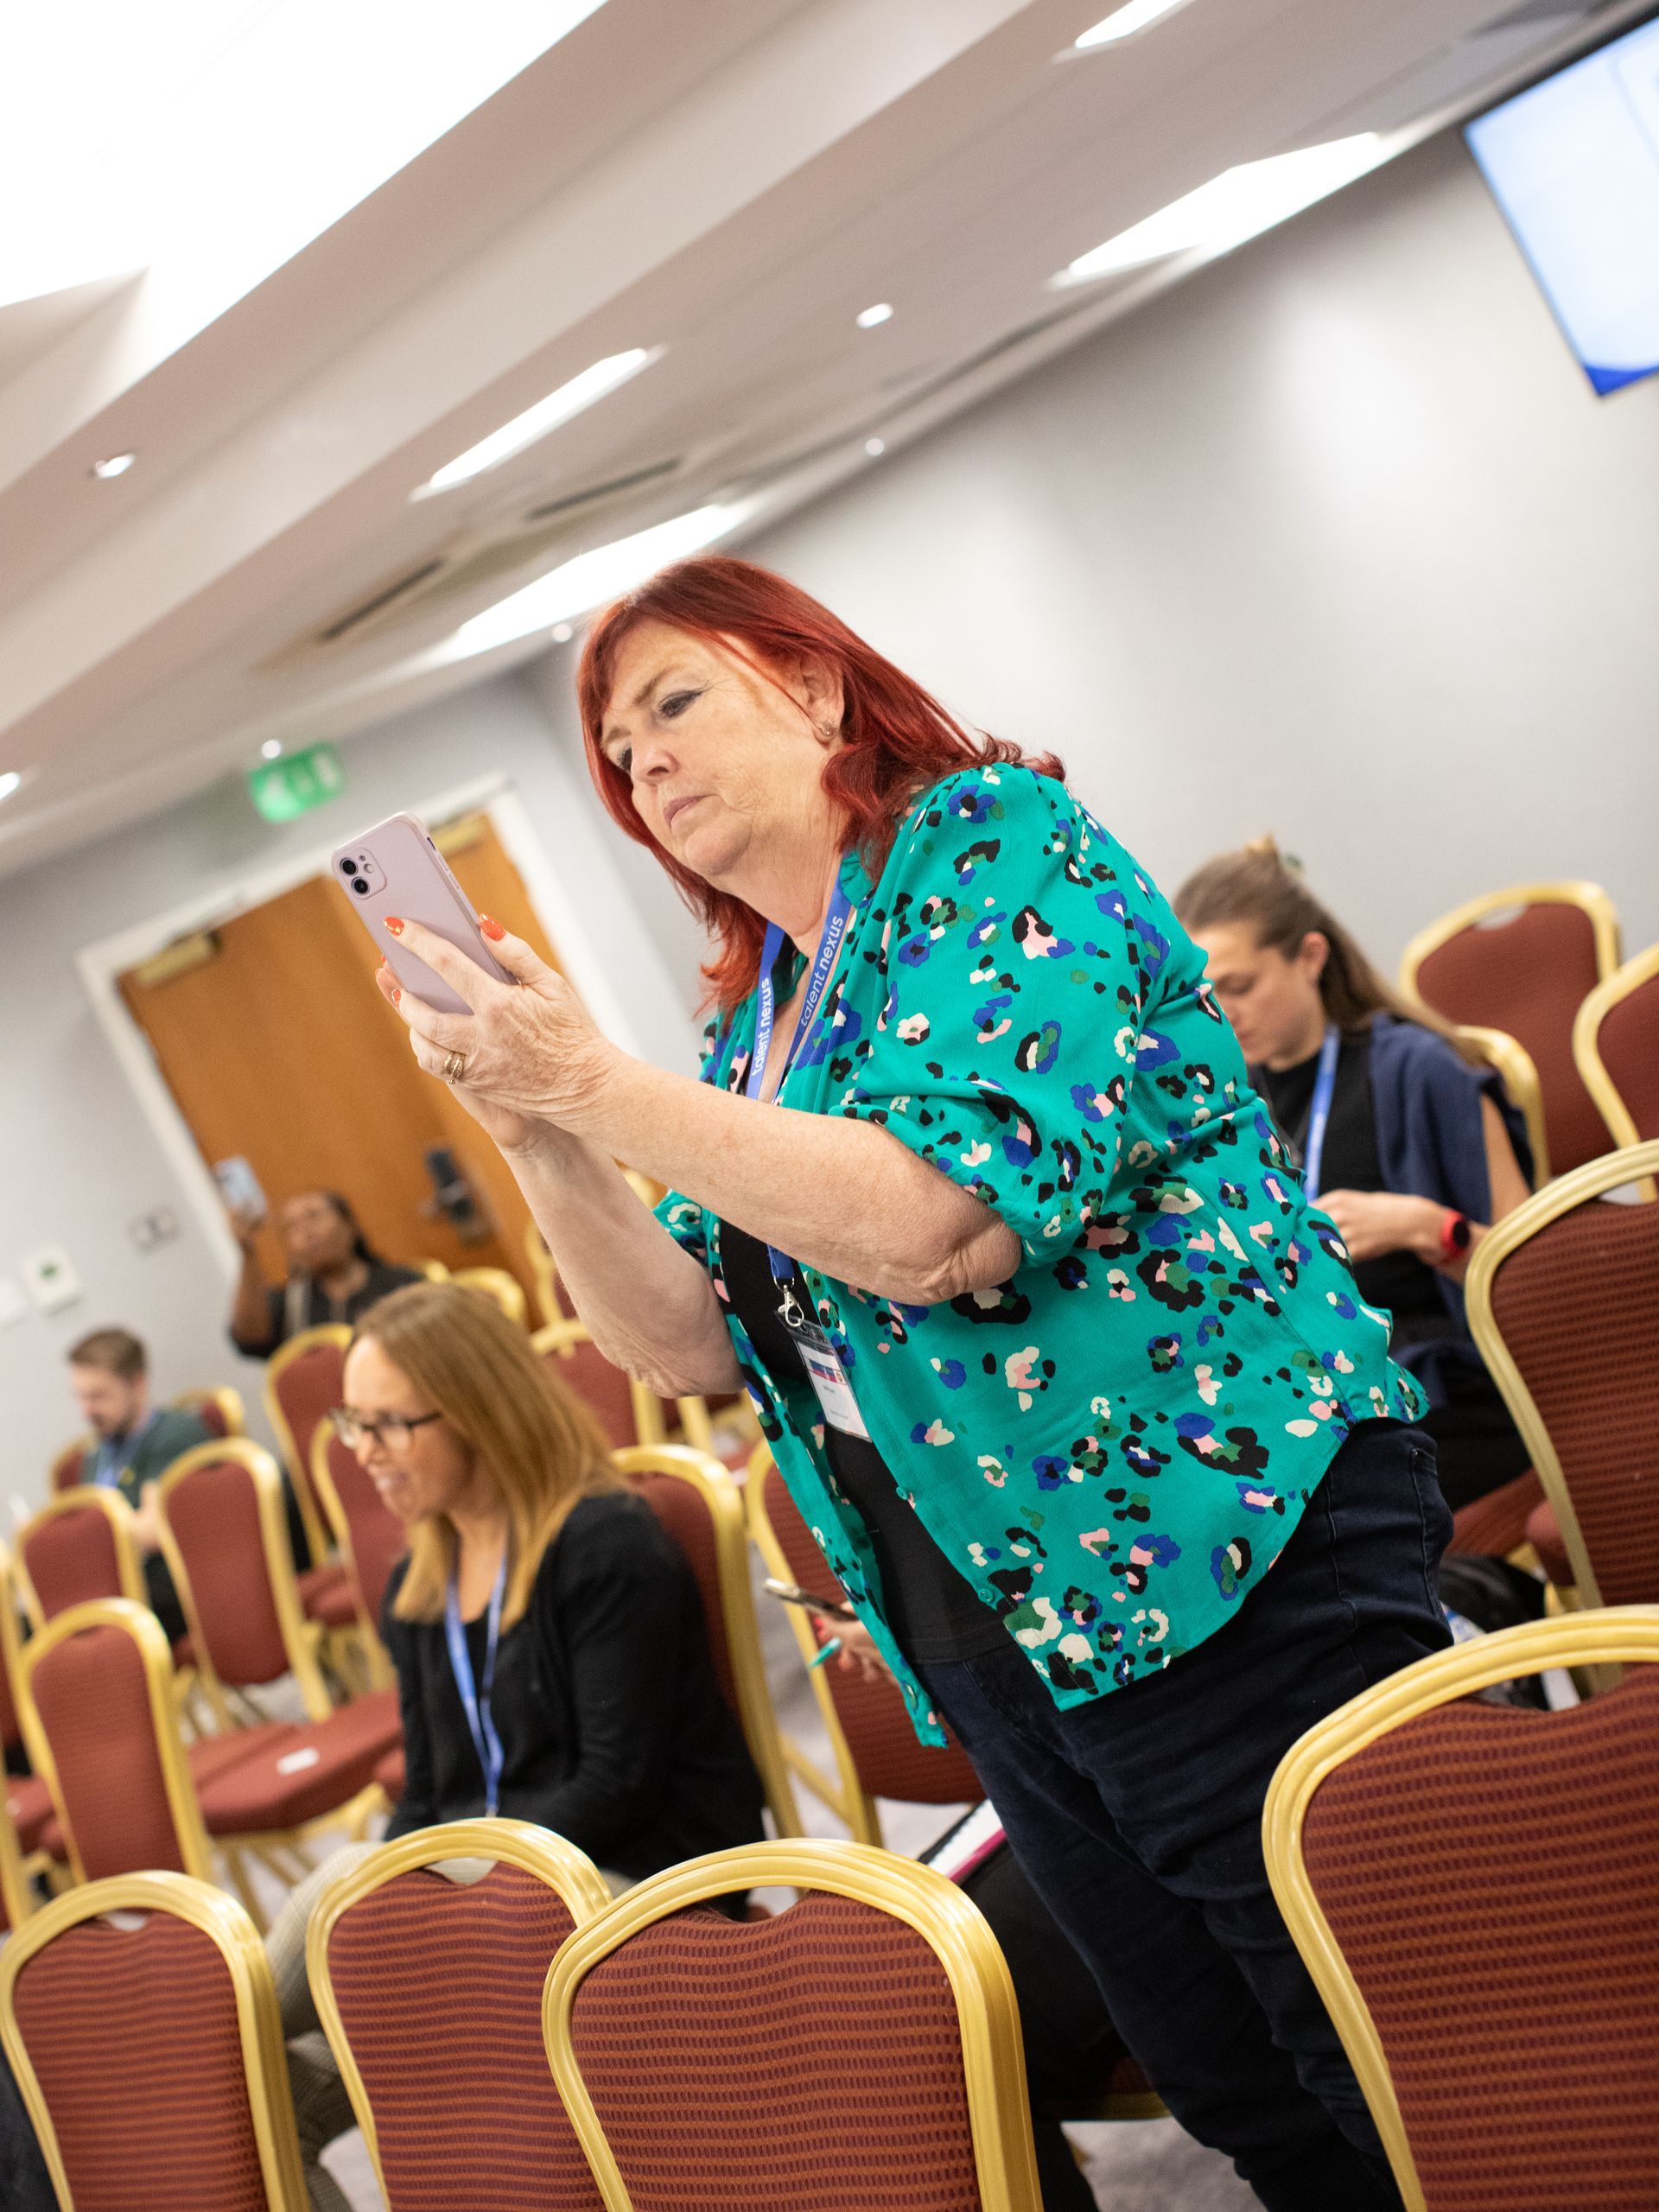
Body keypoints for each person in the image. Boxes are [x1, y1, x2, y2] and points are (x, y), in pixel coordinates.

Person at [372, 552, 1449, 2212]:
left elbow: (937, 1222)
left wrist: (593, 1073)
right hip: (993, 1615)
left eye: (675, 702)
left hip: (1206, 1541)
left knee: (1382, 2057)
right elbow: (681, 1341)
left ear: (811, 689)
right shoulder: (765, 1009)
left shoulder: (996, 847)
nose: (640, 760)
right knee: (1237, 2086)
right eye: (613, 748)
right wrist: (542, 1132)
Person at [265, 1279, 766, 2209]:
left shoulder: (604, 1544)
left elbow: (615, 1788)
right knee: (260, 2095)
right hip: (491, 1904)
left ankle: (205, 2018)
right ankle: (220, 2035)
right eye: (350, 1422)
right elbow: (423, 1796)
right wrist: (423, 1902)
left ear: (478, 1414)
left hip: (633, 1887)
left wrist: (438, 1883)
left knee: (341, 1885)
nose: (360, 1454)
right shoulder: (421, 1577)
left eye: (387, 1425)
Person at [1172, 840, 1535, 1513]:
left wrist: (1429, 1228)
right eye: (1203, 998)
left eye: (1241, 987)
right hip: (1316, 1392)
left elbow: (1538, 1292)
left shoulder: (1420, 1071)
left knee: (1310, 1506)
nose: (1223, 1015)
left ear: (1311, 957)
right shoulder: (1227, 1109)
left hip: (1446, 1392)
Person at [66, 1327, 208, 1640]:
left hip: (176, 1588)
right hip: (123, 1593)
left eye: (98, 1396)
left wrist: (74, 1543)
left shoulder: (173, 1435)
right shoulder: (97, 1456)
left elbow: (152, 1531)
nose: (86, 1410)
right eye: (80, 1397)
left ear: (138, 1384)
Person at [227, 1187, 423, 1358]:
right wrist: (247, 1250)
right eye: (293, 1227)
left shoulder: (404, 1284)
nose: (306, 1232)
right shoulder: (292, 1305)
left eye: (314, 1216)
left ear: (349, 1225)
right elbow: (250, 1339)